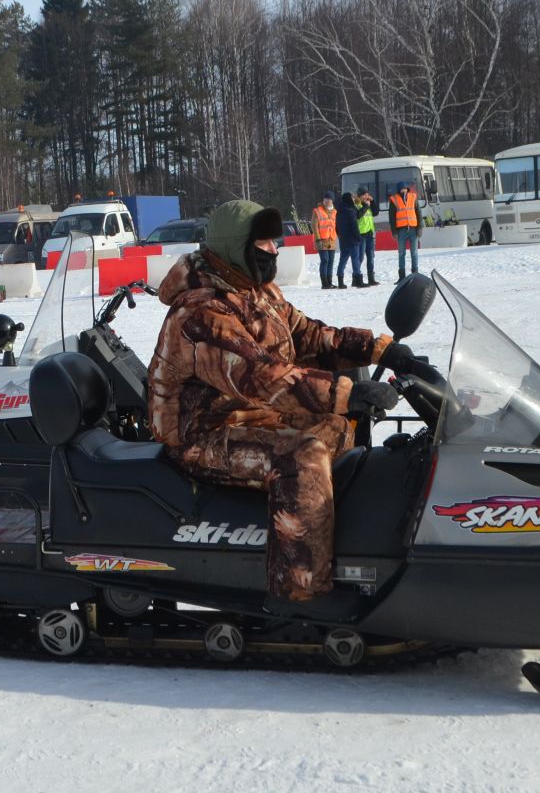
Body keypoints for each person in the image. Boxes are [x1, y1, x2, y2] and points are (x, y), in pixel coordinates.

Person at [146, 199, 436, 612]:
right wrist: (346, 392)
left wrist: (380, 350)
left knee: (337, 428)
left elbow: (307, 336)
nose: (275, 250)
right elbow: (260, 377)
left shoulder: (254, 291)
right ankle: (299, 593)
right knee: (302, 456)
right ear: (236, 247)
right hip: (203, 434)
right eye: (264, 242)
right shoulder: (201, 313)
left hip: (250, 414)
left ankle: (354, 553)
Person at [388, 178, 421, 280]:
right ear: (399, 190)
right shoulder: (394, 199)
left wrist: (420, 228)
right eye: (402, 189)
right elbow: (392, 217)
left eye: (405, 189)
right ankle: (402, 277)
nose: (404, 191)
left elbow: (418, 213)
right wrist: (394, 232)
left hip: (413, 229)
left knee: (414, 252)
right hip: (401, 230)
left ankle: (415, 274)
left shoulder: (413, 197)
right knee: (401, 253)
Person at [311, 193, 339, 290]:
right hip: (321, 240)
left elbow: (335, 225)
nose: (327, 201)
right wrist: (318, 239)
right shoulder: (317, 211)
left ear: (332, 200)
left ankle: (329, 282)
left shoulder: (335, 211)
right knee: (325, 260)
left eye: (329, 199)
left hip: (331, 239)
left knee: (331, 261)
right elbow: (314, 225)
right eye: (325, 199)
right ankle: (325, 283)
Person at [334, 191, 360, 288]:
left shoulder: (339, 212)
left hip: (343, 240)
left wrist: (340, 236)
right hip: (353, 239)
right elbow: (354, 226)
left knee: (343, 260)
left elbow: (336, 227)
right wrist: (358, 237)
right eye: (352, 198)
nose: (353, 199)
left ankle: (340, 281)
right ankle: (358, 280)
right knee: (355, 259)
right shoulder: (351, 211)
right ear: (348, 199)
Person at [353, 188, 378, 286]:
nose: (365, 196)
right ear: (359, 196)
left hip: (370, 234)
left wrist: (373, 201)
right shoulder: (357, 205)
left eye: (367, 194)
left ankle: (371, 278)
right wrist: (366, 206)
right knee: (360, 257)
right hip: (361, 234)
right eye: (363, 195)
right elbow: (358, 215)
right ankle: (356, 278)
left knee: (371, 257)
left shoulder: (369, 205)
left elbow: (375, 212)